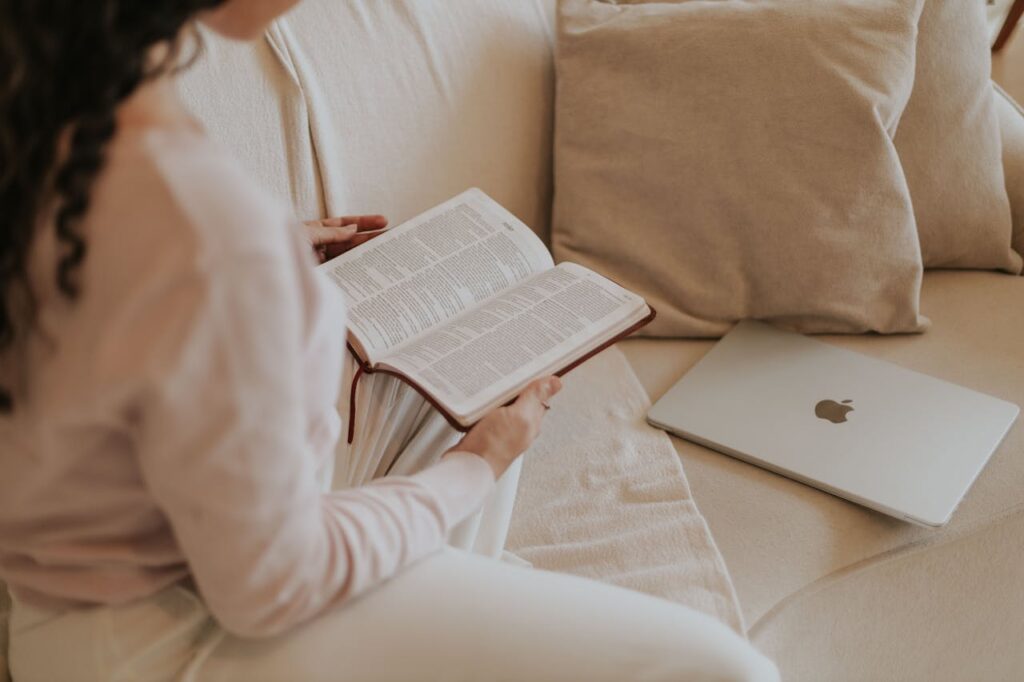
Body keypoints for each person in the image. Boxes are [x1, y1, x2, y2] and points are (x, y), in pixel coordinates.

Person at [0, 2, 779, 680]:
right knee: (723, 669)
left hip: (75, 613)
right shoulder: (200, 230)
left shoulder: (52, 136)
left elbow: (115, 314)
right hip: (175, 644)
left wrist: (264, 266)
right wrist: (477, 468)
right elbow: (271, 587)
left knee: (451, 389)